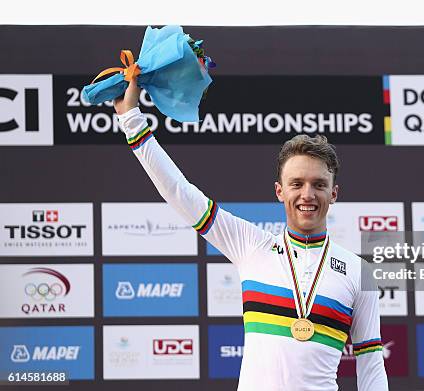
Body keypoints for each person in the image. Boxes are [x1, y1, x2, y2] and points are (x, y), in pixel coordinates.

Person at [114, 79, 389, 391]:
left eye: (319, 184)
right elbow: (180, 193)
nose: (307, 194)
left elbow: (371, 365)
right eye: (296, 184)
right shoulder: (251, 245)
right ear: (279, 191)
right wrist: (132, 119)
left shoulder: (358, 271)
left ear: (334, 193)